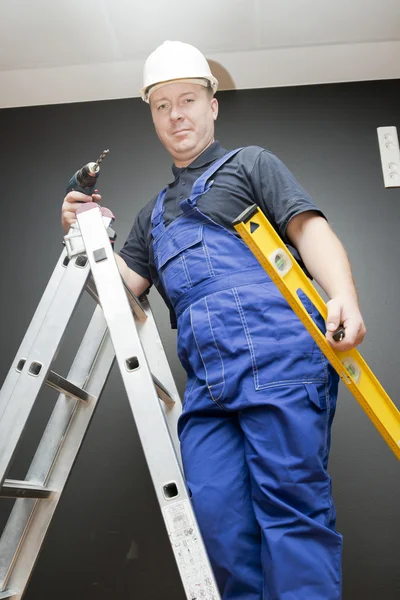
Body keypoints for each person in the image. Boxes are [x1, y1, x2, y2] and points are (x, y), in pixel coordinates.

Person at [62, 40, 366, 600]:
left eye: (187, 100)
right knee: (221, 528)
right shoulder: (148, 218)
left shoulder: (250, 165)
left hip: (280, 363)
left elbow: (308, 228)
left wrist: (341, 292)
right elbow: (117, 297)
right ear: (151, 115)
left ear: (212, 104)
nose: (176, 114)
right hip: (207, 390)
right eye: (161, 105)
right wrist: (82, 242)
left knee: (292, 516)